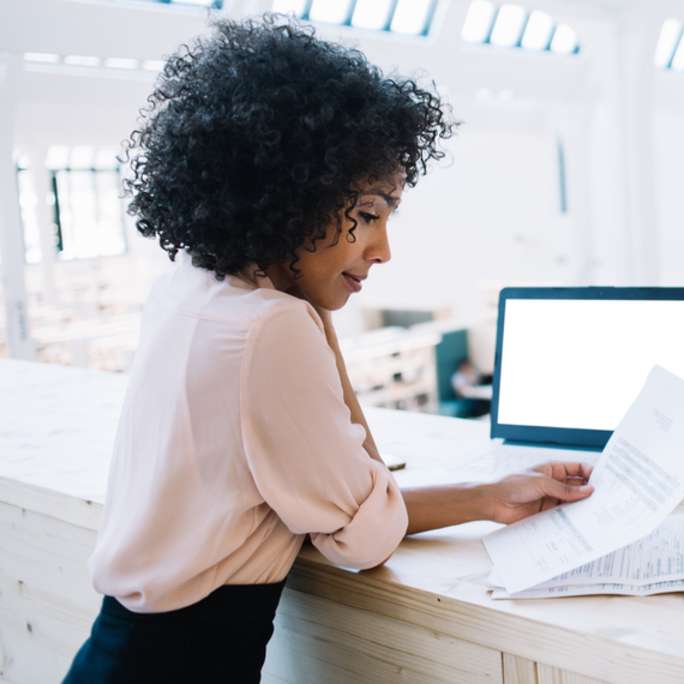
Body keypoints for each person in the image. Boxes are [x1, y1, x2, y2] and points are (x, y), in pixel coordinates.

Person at [64, 16, 593, 683]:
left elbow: (335, 503)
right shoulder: (271, 329)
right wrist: (317, 323)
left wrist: (490, 497)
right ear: (293, 195)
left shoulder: (190, 290)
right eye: (369, 213)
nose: (383, 248)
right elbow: (361, 539)